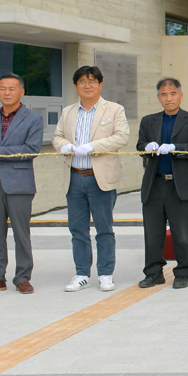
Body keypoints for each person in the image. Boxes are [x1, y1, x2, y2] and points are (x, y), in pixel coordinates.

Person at [53, 65, 130, 292]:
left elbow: (121, 137)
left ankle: (105, 273)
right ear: (76, 86)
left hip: (101, 178)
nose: (87, 86)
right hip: (75, 177)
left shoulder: (114, 109)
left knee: (104, 229)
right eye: (82, 82)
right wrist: (63, 146)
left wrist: (93, 146)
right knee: (78, 230)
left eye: (92, 81)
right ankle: (81, 273)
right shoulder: (68, 112)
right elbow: (57, 136)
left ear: (100, 84)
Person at [0, 72, 43, 295]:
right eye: (2, 88)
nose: (6, 92)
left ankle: (23, 277)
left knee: (21, 233)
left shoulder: (33, 118)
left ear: (21, 92)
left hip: (19, 183)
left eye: (11, 89)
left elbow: (31, 149)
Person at [137, 77, 188, 289]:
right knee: (153, 232)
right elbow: (140, 146)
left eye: (173, 93)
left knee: (182, 232)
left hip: (179, 185)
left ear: (181, 95)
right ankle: (153, 272)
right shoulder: (148, 121)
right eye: (164, 94)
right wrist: (146, 147)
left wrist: (175, 147)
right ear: (159, 97)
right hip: (154, 184)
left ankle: (183, 272)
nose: (169, 98)